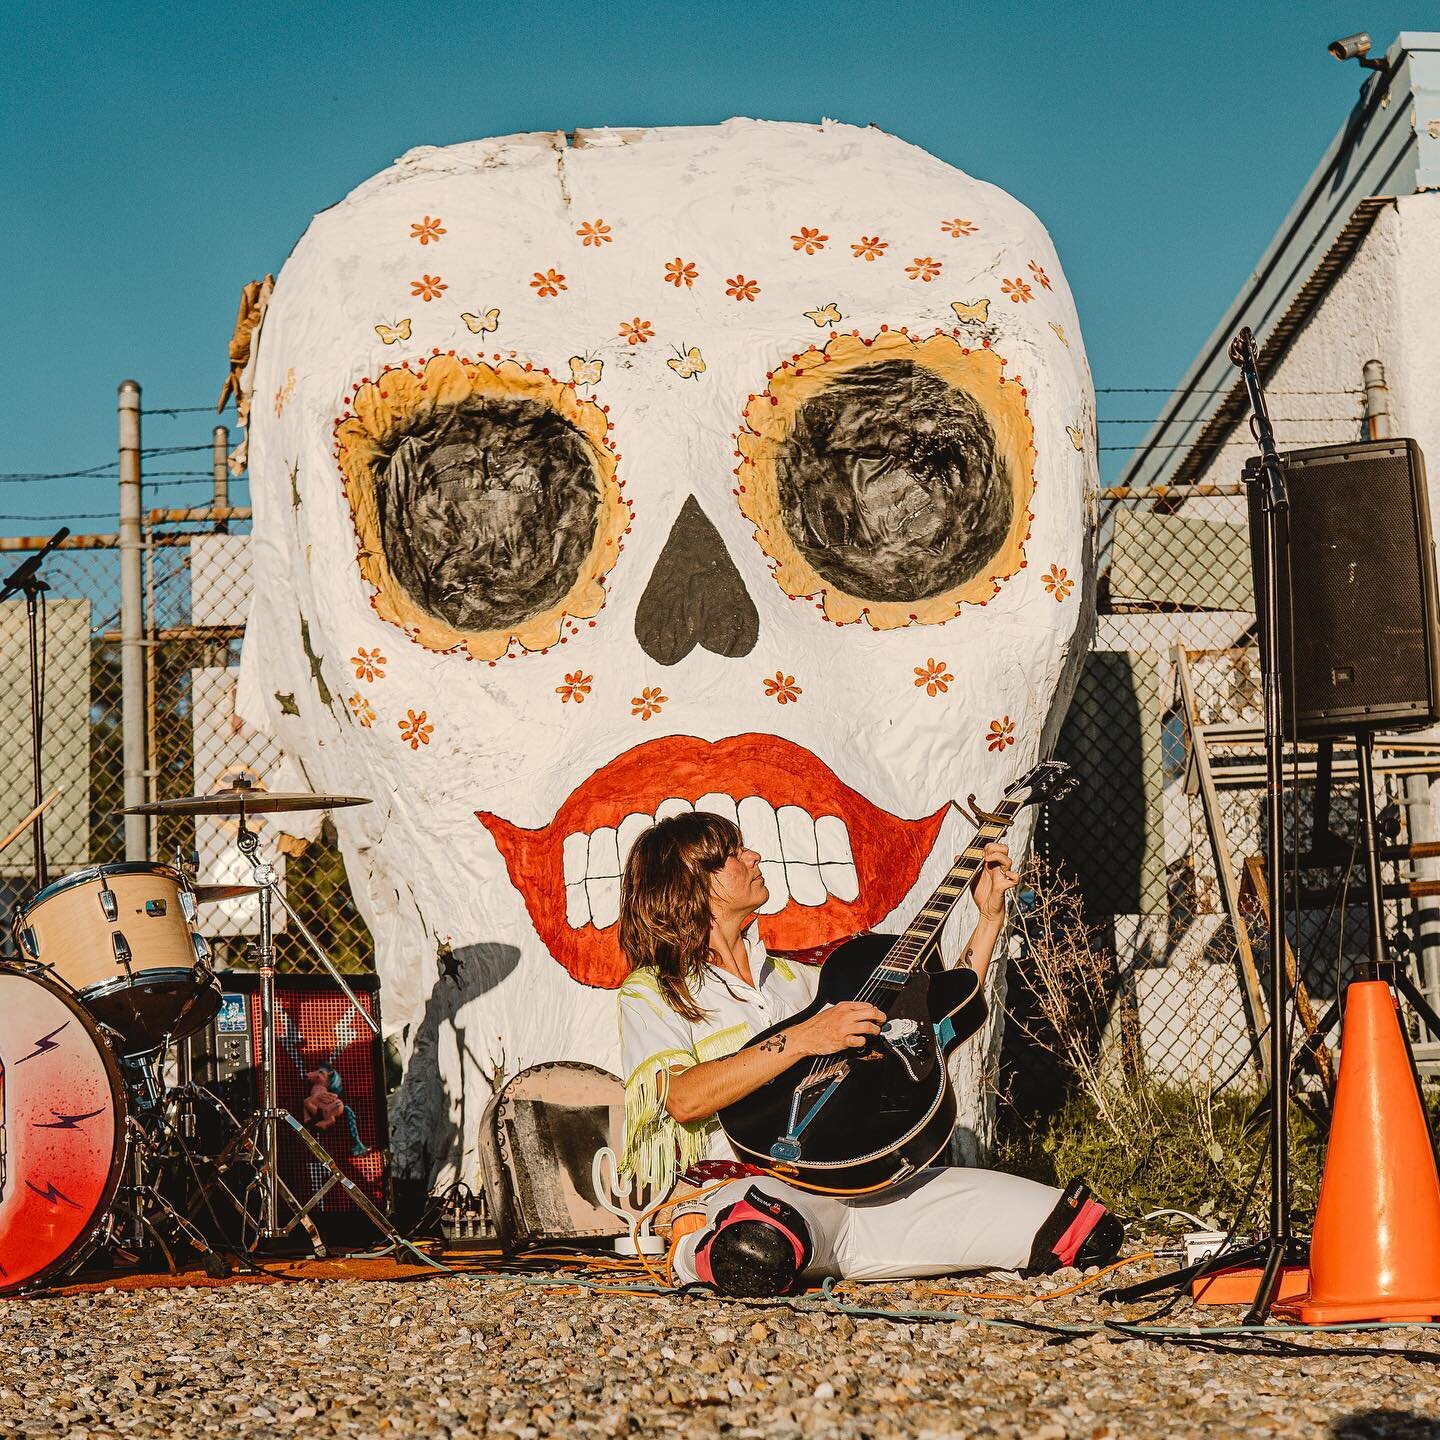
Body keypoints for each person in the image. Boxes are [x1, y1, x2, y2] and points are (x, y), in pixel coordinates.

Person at [616, 810, 1122, 1297]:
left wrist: (987, 917)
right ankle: (691, 1245)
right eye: (732, 853)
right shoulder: (655, 992)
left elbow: (935, 1010)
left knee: (1083, 1231)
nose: (754, 855)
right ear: (691, 885)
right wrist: (805, 1038)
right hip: (766, 1189)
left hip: (872, 1183)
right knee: (756, 1249)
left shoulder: (799, 982)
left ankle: (810, 1255)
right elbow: (683, 1099)